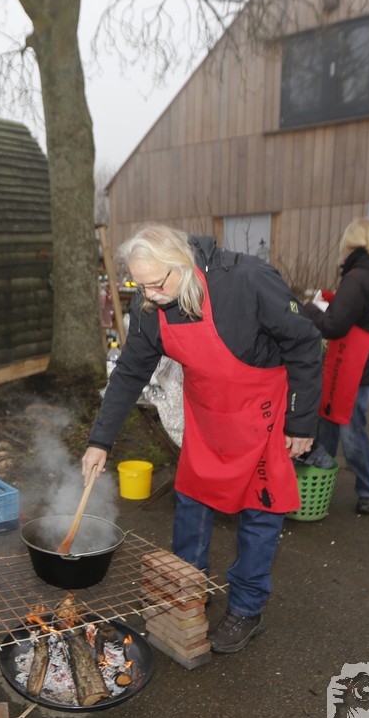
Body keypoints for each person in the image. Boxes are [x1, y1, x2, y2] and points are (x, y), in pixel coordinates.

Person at [80, 225, 322, 654]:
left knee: (260, 511)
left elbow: (304, 343)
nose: (150, 295)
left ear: (183, 264)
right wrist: (100, 441)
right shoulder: (151, 302)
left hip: (263, 416)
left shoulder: (247, 280)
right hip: (207, 417)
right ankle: (188, 588)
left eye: (158, 284)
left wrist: (301, 422)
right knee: (191, 500)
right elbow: (131, 371)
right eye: (140, 285)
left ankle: (247, 607)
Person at [303, 218, 369, 516]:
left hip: (355, 358)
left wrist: (310, 309)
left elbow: (334, 326)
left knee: (348, 425)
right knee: (330, 418)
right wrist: (338, 300)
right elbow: (368, 308)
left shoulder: (358, 276)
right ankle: (320, 475)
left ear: (350, 242)